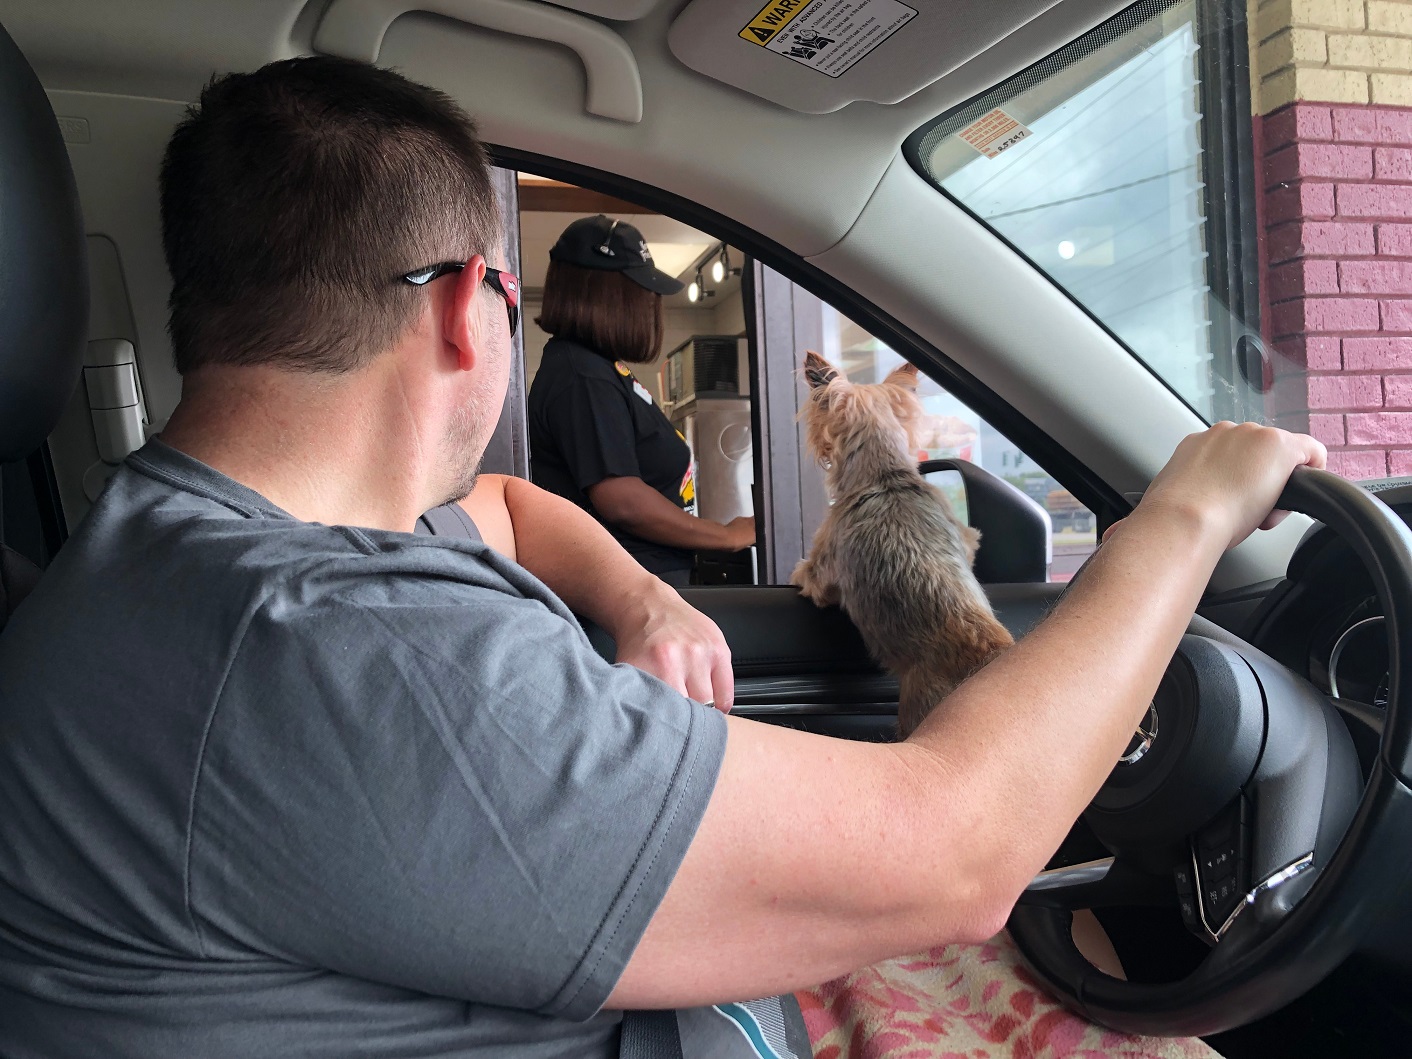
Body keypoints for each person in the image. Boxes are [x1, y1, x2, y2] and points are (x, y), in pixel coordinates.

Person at [0, 56, 1325, 1059]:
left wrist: (642, 601)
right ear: (467, 307)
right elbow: (962, 851)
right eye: (505, 294)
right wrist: (1178, 519)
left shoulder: (196, 551)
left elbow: (506, 506)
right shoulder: (336, 644)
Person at [528, 214, 755, 586]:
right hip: (631, 588)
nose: (652, 304)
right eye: (643, 291)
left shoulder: (599, 368)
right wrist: (726, 536)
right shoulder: (582, 376)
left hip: (649, 580)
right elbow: (623, 501)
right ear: (608, 294)